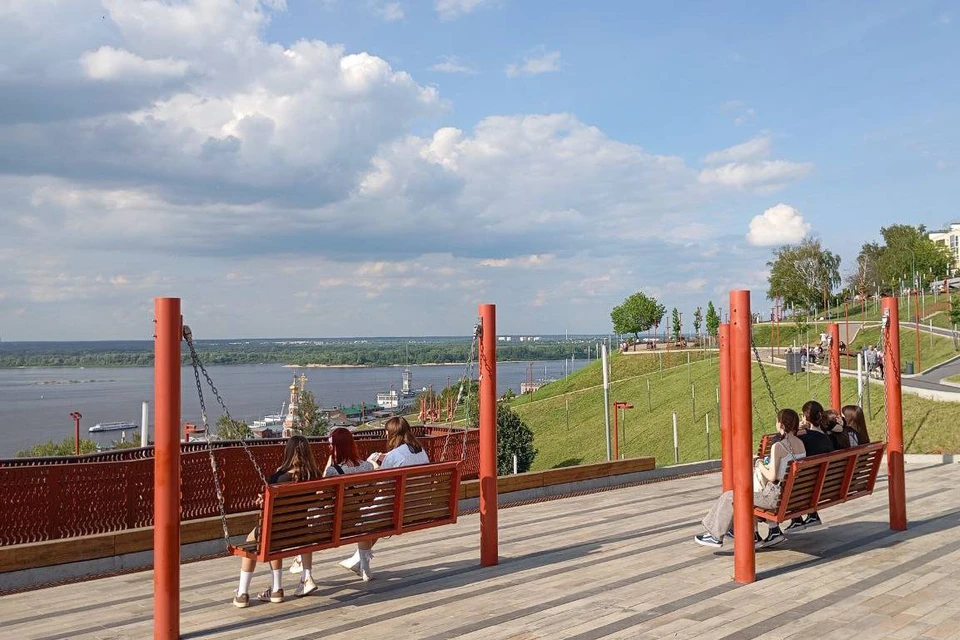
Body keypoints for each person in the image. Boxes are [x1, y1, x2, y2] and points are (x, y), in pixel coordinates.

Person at [695, 409, 806, 549]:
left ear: (781, 424)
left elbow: (771, 476)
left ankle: (715, 535)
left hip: (774, 498)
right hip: (792, 496)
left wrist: (759, 464)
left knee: (730, 495)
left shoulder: (778, 446)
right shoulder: (801, 444)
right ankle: (763, 532)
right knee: (750, 493)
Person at [233, 435, 321, 608]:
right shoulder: (315, 475)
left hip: (279, 531)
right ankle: (276, 589)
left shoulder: (278, 477)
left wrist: (262, 500)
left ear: (287, 452)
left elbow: (270, 506)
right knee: (274, 534)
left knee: (255, 537)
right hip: (303, 530)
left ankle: (245, 592)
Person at [339, 416, 430, 581]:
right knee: (377, 518)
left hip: (395, 509)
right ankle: (357, 561)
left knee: (365, 520)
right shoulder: (421, 451)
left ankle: (364, 567)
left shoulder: (394, 455)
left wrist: (374, 465)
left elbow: (382, 483)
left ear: (392, 434)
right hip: (417, 506)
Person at [289, 427, 376, 593]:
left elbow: (321, 497)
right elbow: (370, 497)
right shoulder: (367, 466)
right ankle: (365, 568)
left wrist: (330, 465)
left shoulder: (332, 471)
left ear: (336, 447)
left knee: (306, 523)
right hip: (357, 519)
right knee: (362, 524)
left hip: (335, 524)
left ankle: (301, 560)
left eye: (331, 445)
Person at [785, 401, 835, 531]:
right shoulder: (828, 436)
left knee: (789, 477)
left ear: (805, 418)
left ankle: (796, 518)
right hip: (827, 485)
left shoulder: (805, 439)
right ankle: (812, 514)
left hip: (805, 487)